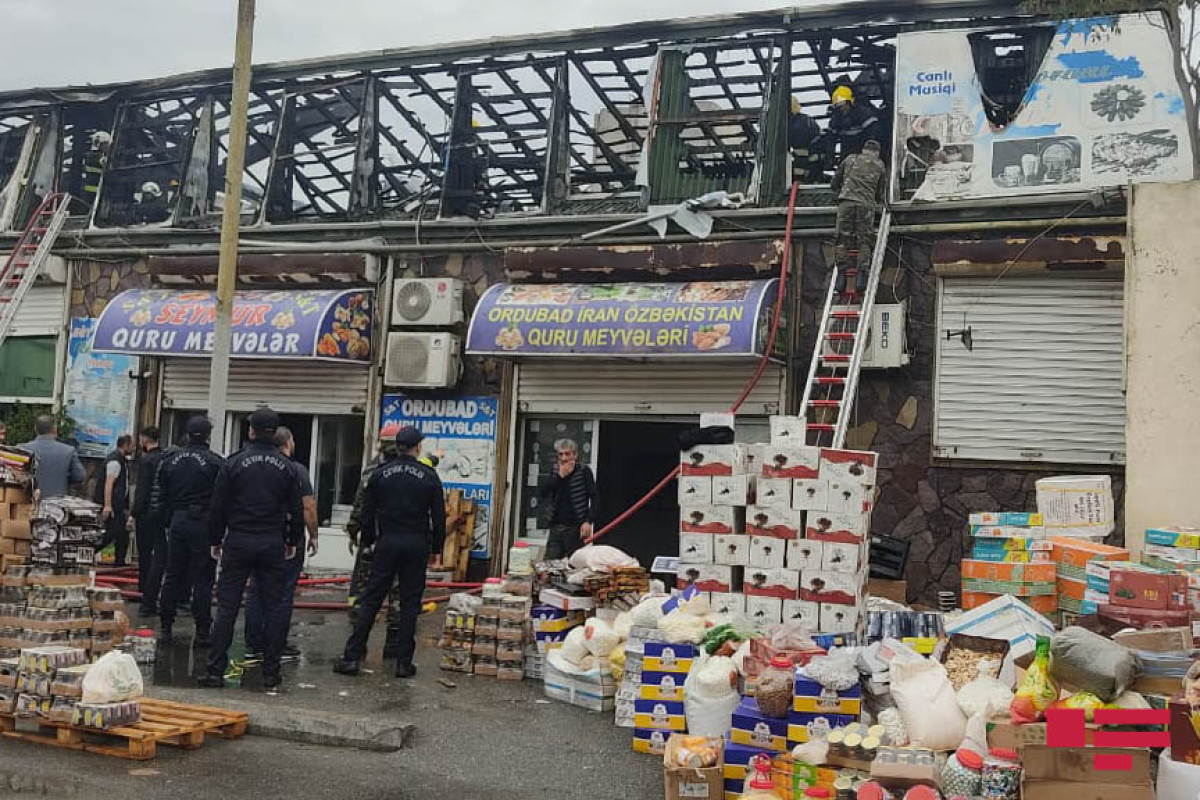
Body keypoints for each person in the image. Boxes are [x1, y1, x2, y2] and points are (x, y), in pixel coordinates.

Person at [199, 408, 303, 690]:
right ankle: (271, 672)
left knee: (227, 608)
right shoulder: (288, 467)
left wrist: (215, 540)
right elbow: (296, 509)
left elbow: (217, 507)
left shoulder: (233, 463)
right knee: (274, 608)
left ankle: (215, 671)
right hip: (272, 542)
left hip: (239, 540)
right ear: (276, 432)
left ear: (251, 431)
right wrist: (292, 541)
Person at [333, 426, 445, 679]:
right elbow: (438, 517)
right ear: (417, 448)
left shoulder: (380, 474)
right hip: (416, 545)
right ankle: (403, 663)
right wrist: (436, 549)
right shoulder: (427, 476)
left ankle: (352, 657)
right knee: (409, 604)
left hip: (387, 543)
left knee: (371, 600)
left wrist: (371, 543)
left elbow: (367, 513)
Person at [243, 426, 318, 662]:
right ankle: (276, 645)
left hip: (255, 536)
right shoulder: (295, 470)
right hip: (286, 540)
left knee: (256, 589)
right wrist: (313, 535)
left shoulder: (251, 467)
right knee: (283, 592)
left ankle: (254, 643)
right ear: (287, 443)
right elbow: (308, 507)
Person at [155, 416, 223, 646]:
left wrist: (167, 521)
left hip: (177, 521)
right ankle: (203, 631)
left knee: (173, 574)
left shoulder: (170, 460)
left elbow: (162, 495)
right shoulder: (215, 462)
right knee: (203, 578)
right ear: (207, 435)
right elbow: (220, 500)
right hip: (202, 523)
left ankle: (165, 627)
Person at [830, 139, 887, 295]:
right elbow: (881, 192)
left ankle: (841, 276)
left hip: (846, 202)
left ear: (863, 149)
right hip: (866, 204)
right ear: (877, 152)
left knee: (842, 239)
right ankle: (862, 275)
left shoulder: (850, 159)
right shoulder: (880, 165)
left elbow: (834, 183)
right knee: (865, 240)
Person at [539, 438, 597, 560]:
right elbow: (544, 493)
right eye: (561, 454)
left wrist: (588, 521)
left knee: (575, 565)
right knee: (550, 566)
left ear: (575, 455)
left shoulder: (583, 471)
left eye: (567, 454)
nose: (564, 458)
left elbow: (595, 497)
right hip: (556, 527)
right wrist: (560, 476)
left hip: (575, 528)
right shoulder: (555, 471)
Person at [133, 427, 167, 615]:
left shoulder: (146, 461)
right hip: (160, 512)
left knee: (145, 553)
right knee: (159, 553)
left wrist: (135, 512)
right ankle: (152, 589)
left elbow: (143, 490)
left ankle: (144, 587)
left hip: (146, 513)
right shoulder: (164, 457)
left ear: (144, 439)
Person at [20, 415, 85, 499]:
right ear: (55, 429)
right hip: (57, 503)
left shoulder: (22, 449)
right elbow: (80, 476)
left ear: (35, 429)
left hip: (26, 502)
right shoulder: (68, 451)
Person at [95, 434, 135, 566]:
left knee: (122, 536)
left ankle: (120, 563)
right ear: (125, 445)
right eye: (132, 445)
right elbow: (109, 484)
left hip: (117, 506)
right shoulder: (115, 461)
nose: (134, 448)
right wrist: (107, 505)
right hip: (112, 507)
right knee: (111, 534)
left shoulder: (121, 460)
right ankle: (90, 551)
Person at [826, 80, 884, 167]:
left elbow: (873, 135)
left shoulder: (863, 114)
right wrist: (830, 157)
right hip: (847, 155)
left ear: (850, 102)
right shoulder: (836, 119)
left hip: (864, 154)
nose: (841, 108)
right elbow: (830, 139)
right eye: (837, 106)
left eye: (842, 104)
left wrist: (867, 156)